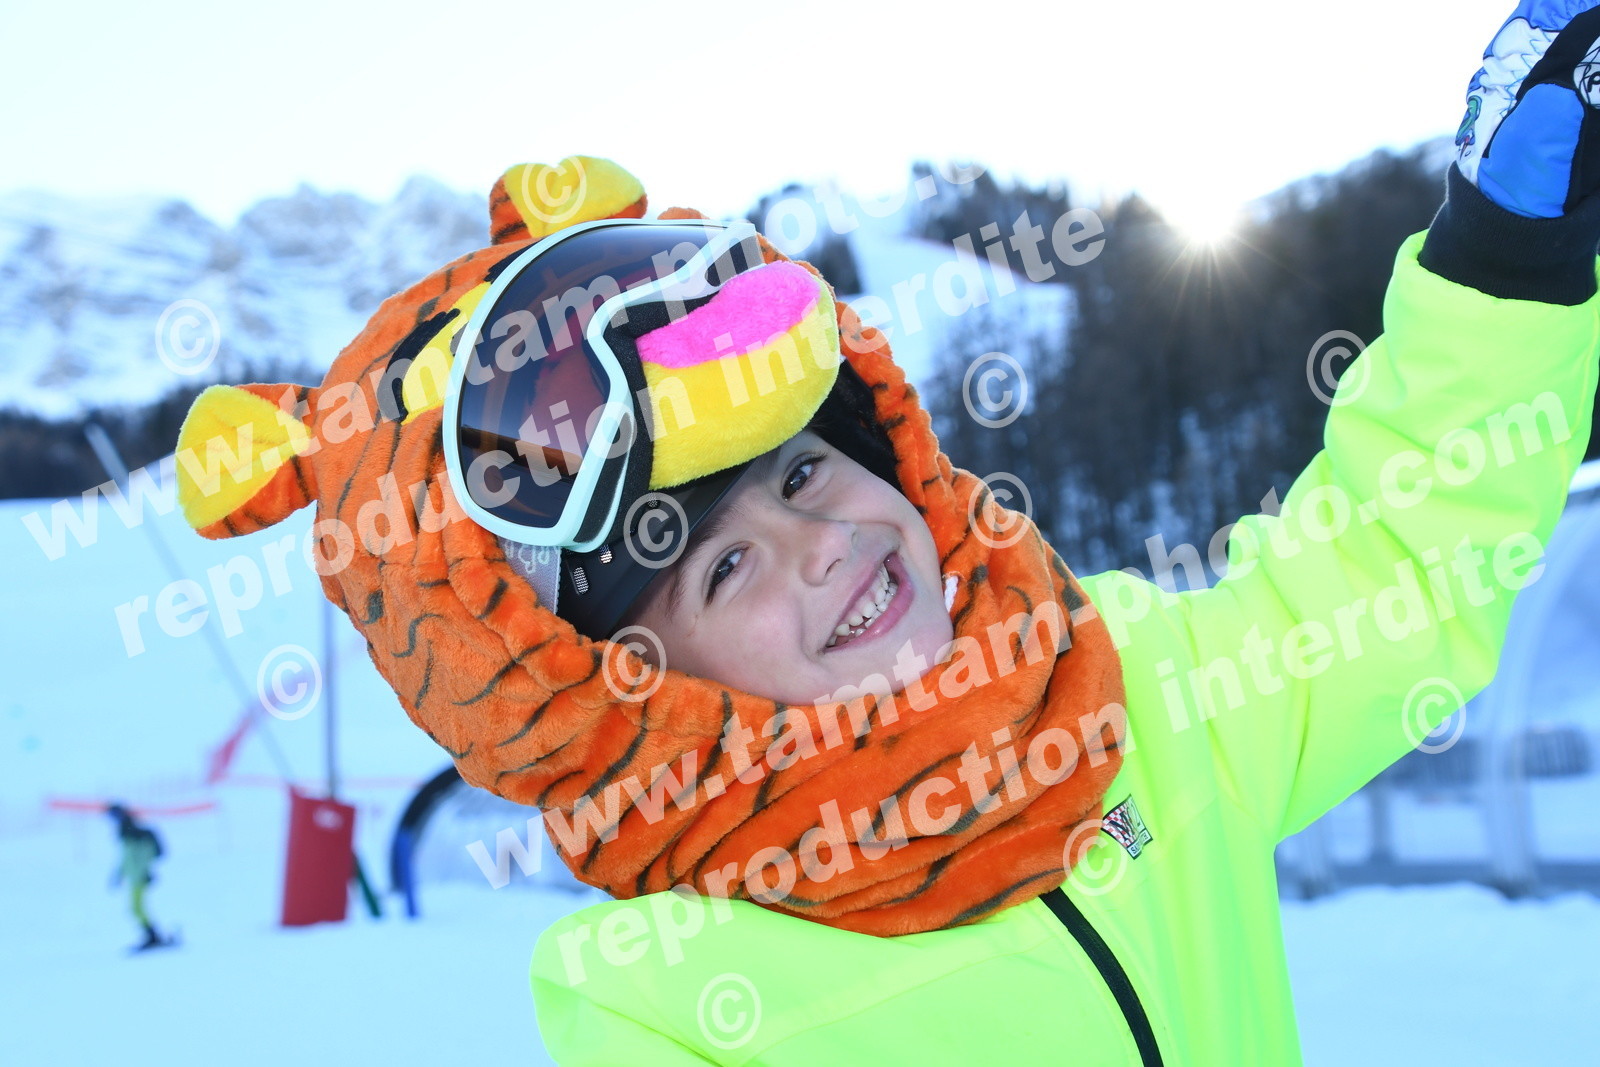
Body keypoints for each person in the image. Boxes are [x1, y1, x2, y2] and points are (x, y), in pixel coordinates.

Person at [172, 0, 1600, 1059]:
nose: (823, 544)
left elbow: (1390, 569)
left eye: (803, 474)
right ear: (629, 699)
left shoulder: (1132, 695)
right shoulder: (676, 1003)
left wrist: (1504, 262)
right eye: (721, 565)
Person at [105, 802, 170, 952]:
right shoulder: (129, 834)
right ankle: (152, 935)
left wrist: (143, 872)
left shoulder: (136, 835)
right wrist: (120, 874)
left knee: (136, 908)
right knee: (136, 908)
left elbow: (142, 856)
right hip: (136, 877)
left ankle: (153, 936)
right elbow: (126, 858)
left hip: (139, 877)